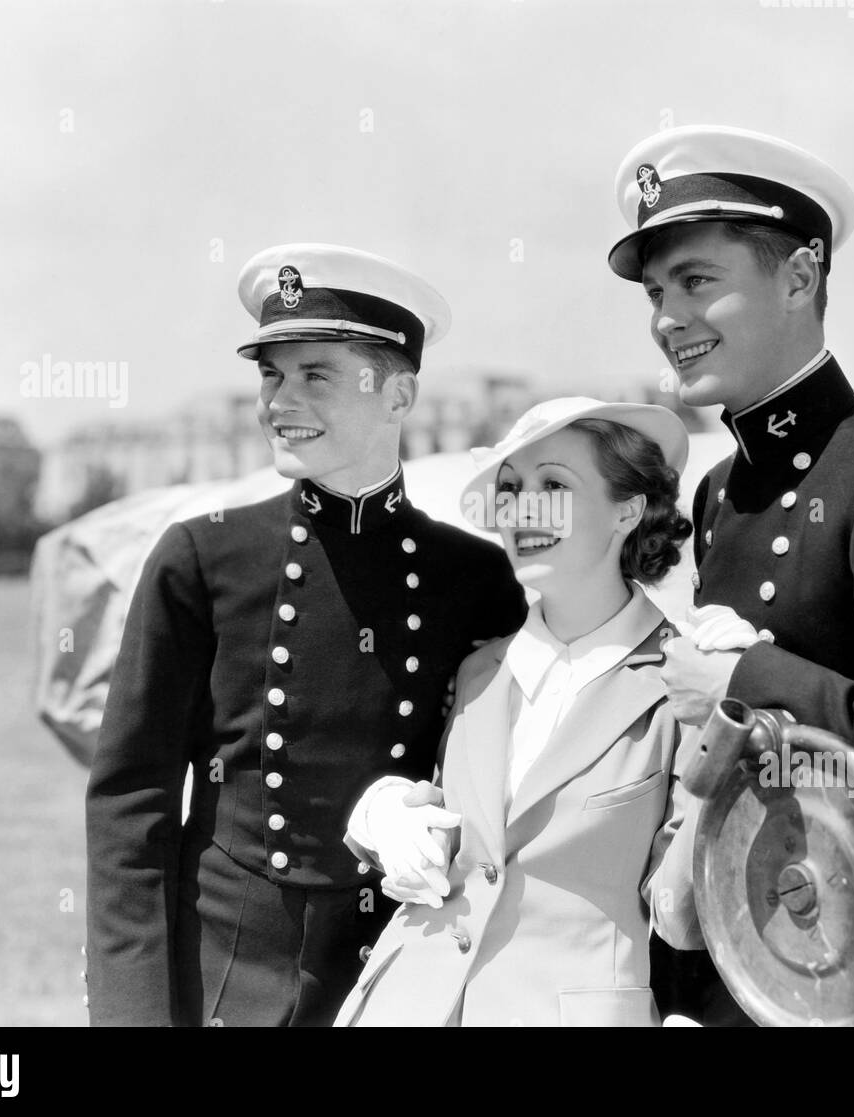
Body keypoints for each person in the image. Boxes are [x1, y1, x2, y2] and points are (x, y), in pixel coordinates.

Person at [606, 125, 854, 1025]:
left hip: (844, 963)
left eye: (698, 281)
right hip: (735, 939)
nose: (668, 317)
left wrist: (747, 680)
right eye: (658, 292)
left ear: (798, 275)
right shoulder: (719, 491)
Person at [84, 244, 527, 1026]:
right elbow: (132, 800)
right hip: (225, 973)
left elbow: (505, 788)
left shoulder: (476, 576)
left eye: (315, 374)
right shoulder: (204, 558)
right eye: (270, 375)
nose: (280, 400)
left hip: (404, 966)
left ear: (398, 393)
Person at [331, 397, 707, 1027]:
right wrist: (382, 817)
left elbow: (683, 911)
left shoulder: (685, 680)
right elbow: (466, 848)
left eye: (554, 484)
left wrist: (734, 727)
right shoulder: (478, 672)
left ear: (629, 508)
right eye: (509, 489)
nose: (523, 509)